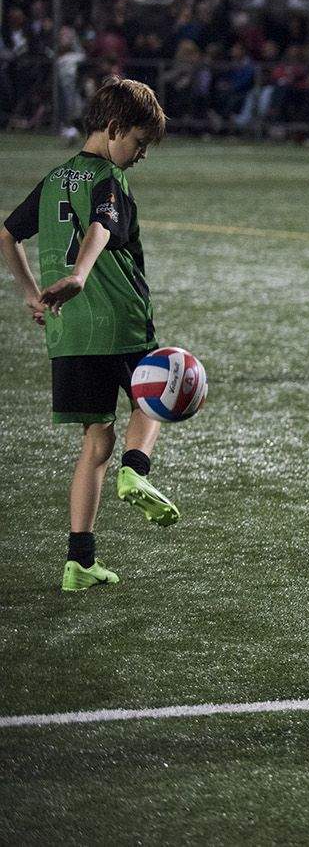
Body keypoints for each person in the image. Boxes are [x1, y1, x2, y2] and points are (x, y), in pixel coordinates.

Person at [0, 79, 180, 591]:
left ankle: (79, 561)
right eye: (139, 142)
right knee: (161, 387)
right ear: (115, 128)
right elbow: (102, 225)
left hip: (70, 333)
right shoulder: (108, 177)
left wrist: (32, 296)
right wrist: (80, 275)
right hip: (118, 318)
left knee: (95, 439)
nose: (142, 154)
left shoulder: (55, 178)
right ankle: (136, 468)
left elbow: (7, 235)